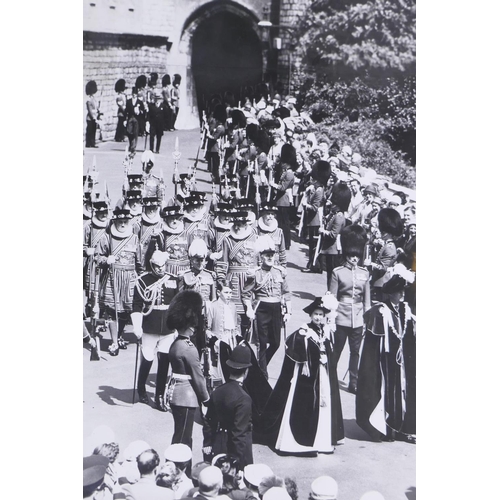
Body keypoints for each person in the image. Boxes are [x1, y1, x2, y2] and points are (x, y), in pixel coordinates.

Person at [260, 295, 344, 455]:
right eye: (315, 314)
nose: (318, 317)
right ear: (311, 316)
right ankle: (300, 443)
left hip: (323, 377)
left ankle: (322, 442)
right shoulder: (303, 333)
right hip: (306, 382)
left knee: (323, 407)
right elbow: (295, 354)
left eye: (321, 314)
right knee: (306, 408)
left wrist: (326, 359)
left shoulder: (326, 332)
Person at [356, 273, 416, 444]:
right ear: (390, 293)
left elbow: (409, 335)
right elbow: (373, 344)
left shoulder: (405, 310)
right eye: (399, 291)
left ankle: (403, 428)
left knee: (404, 392)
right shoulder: (380, 311)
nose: (402, 294)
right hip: (385, 362)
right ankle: (386, 429)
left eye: (403, 291)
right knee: (386, 391)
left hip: (402, 362)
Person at [131, 250, 179, 411]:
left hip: (167, 327)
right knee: (148, 358)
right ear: (152, 265)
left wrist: (178, 326)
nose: (161, 269)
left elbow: (176, 306)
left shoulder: (172, 279)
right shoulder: (143, 280)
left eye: (163, 265)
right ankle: (141, 388)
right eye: (157, 266)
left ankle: (159, 395)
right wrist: (137, 325)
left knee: (164, 360)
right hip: (150, 325)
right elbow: (137, 305)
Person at [241, 235, 292, 379]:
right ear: (261, 257)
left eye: (272, 255)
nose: (270, 257)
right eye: (267, 255)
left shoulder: (280, 272)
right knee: (261, 343)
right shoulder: (255, 273)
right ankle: (263, 374)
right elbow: (246, 293)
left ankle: (258, 367)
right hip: (261, 308)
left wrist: (289, 311)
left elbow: (286, 292)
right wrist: (249, 309)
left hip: (276, 308)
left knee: (276, 343)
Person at [330, 224, 371, 394]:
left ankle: (353, 381)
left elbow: (367, 299)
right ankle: (330, 378)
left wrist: (368, 318)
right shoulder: (337, 272)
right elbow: (332, 298)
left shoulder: (364, 273)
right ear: (346, 255)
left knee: (355, 352)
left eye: (357, 255)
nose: (354, 259)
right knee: (337, 350)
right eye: (351, 255)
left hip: (358, 317)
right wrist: (331, 318)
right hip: (341, 316)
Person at [167, 290, 210, 447]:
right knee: (184, 440)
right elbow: (198, 378)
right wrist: (206, 399)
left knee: (180, 436)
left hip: (175, 393)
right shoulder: (189, 348)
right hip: (186, 397)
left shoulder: (175, 344)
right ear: (190, 327)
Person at [96, 208, 140, 356]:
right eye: (119, 221)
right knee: (112, 311)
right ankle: (114, 342)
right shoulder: (107, 237)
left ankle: (120, 335)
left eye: (125, 221)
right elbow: (98, 257)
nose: (122, 224)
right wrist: (106, 260)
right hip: (112, 277)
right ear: (114, 222)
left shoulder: (134, 238)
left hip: (129, 279)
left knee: (125, 312)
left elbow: (139, 261)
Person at [202, 344, 254, 468]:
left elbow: (209, 420)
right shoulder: (244, 398)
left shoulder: (218, 391)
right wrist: (236, 462)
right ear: (246, 371)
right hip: (237, 451)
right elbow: (239, 434)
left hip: (218, 443)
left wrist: (207, 442)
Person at [365, 208, 404, 301]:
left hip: (381, 282)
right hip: (378, 280)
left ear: (389, 233)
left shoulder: (390, 247)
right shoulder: (386, 245)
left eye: (384, 232)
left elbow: (384, 268)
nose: (382, 233)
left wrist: (371, 264)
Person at [319, 182, 352, 290]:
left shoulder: (339, 216)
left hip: (334, 250)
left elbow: (333, 234)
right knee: (329, 273)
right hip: (331, 249)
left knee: (332, 274)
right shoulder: (335, 213)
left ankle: (331, 293)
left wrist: (323, 231)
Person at [301, 160, 331, 273]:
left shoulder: (319, 191)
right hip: (314, 220)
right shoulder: (317, 189)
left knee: (313, 244)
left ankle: (314, 265)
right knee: (312, 244)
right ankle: (313, 264)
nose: (312, 181)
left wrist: (305, 204)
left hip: (315, 220)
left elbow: (314, 207)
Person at [146, 204, 190, 276]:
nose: (175, 221)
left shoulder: (187, 235)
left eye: (177, 218)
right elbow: (153, 259)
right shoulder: (160, 236)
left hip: (185, 271)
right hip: (168, 272)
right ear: (166, 219)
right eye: (172, 219)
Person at [133, 196, 162, 274]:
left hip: (157, 261)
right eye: (149, 208)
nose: (151, 211)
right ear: (144, 208)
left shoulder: (161, 224)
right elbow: (135, 244)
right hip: (142, 260)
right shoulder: (138, 224)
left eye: (154, 208)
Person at [255, 203, 287, 267]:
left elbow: (282, 252)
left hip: (275, 266)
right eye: (268, 213)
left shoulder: (279, 231)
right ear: (263, 215)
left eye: (272, 214)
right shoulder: (256, 231)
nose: (270, 216)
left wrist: (283, 267)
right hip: (260, 266)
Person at [125, 86, 145, 156]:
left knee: (135, 133)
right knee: (129, 132)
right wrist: (125, 120)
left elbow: (143, 111)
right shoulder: (129, 101)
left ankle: (133, 148)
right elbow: (126, 111)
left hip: (137, 119)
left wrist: (139, 111)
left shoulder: (139, 102)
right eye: (133, 93)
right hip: (130, 118)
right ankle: (131, 144)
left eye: (135, 93)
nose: (134, 95)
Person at [86, 80, 99, 148]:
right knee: (90, 130)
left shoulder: (94, 99)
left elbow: (96, 108)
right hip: (90, 118)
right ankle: (88, 143)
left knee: (93, 130)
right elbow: (90, 110)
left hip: (95, 116)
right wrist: (93, 117)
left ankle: (93, 143)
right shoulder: (88, 100)